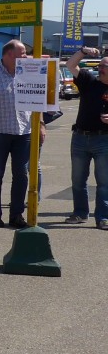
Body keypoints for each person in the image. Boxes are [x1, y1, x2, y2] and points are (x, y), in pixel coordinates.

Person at [0, 39, 45, 228]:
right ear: (9, 54)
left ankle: (16, 215)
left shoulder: (29, 73)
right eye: (22, 52)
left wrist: (42, 124)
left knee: (21, 175)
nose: (26, 56)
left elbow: (38, 100)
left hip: (24, 132)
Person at [63, 45, 108, 229]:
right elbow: (70, 65)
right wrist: (83, 51)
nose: (101, 68)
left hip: (103, 140)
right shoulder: (89, 81)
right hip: (80, 138)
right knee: (78, 180)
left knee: (104, 182)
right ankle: (80, 213)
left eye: (105, 66)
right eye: (101, 65)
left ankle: (103, 217)